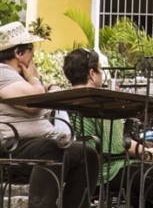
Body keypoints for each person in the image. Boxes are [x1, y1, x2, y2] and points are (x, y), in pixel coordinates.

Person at [62, 48, 153, 208]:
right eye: (100, 69)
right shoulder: (98, 101)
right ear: (92, 74)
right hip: (108, 171)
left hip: (79, 172)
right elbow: (117, 145)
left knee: (143, 191)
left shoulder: (65, 99)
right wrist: (149, 155)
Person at [0, 21, 99, 208]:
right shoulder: (2, 72)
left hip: (35, 142)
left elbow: (35, 94)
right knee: (51, 148)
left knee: (87, 153)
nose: (33, 57)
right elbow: (33, 103)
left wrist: (41, 84)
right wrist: (33, 77)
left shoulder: (15, 77)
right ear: (18, 53)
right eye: (31, 51)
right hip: (14, 145)